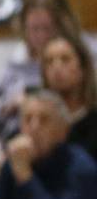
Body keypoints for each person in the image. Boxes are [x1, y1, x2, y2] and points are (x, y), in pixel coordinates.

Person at [0, 0, 85, 150]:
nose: (41, 36)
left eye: (47, 28)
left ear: (63, 25)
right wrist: (9, 106)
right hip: (21, 143)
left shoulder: (82, 56)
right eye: (34, 29)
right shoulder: (17, 64)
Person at [41, 31, 97, 159]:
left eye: (65, 59)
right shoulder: (36, 121)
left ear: (82, 68)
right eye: (49, 62)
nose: (56, 67)